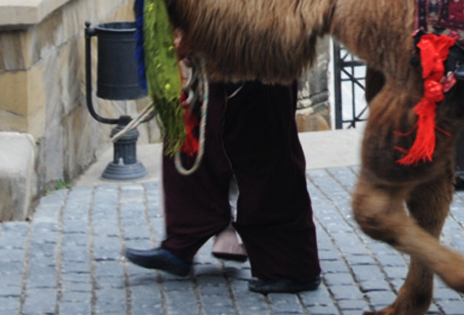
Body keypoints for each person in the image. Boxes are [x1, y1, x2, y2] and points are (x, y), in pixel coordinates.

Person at [123, 79, 322, 295]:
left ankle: (294, 266)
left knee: (266, 156)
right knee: (190, 133)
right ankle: (187, 236)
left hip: (263, 66)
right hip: (227, 64)